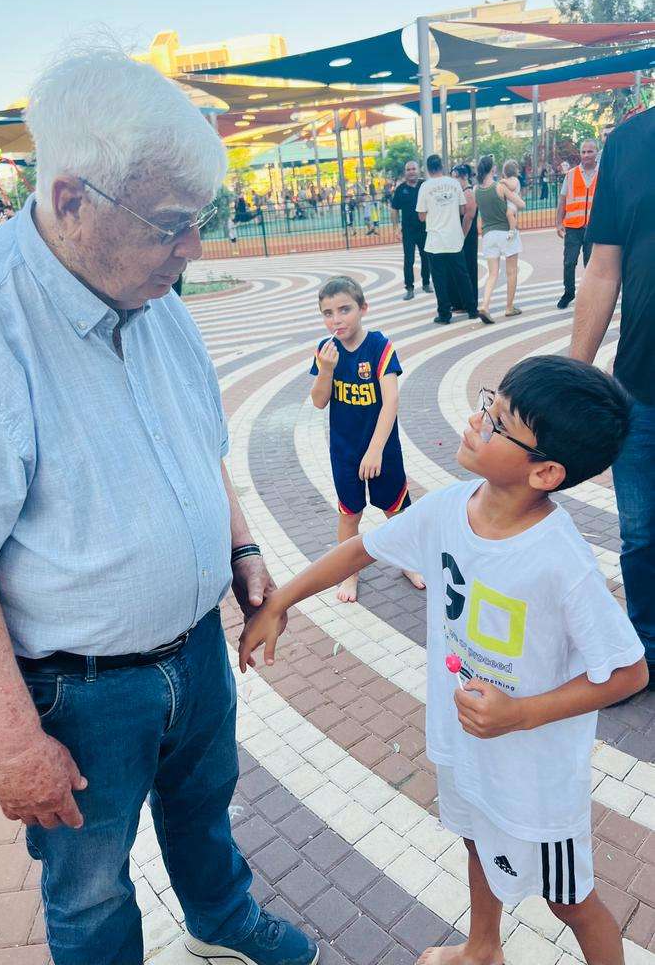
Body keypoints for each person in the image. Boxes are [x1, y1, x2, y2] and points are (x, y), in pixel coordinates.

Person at [0, 45, 318, 965]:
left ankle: (220, 923)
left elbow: (199, 446)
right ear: (71, 200)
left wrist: (240, 549)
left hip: (195, 649)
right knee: (91, 882)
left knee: (203, 808)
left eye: (201, 221)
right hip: (78, 691)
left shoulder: (154, 296)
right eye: (171, 225)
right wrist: (12, 747)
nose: (193, 249)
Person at [239, 354, 648, 965]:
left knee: (569, 901)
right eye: (488, 404)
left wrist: (523, 713)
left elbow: (629, 672)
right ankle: (482, 949)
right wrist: (281, 601)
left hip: (535, 779)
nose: (476, 421)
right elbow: (361, 549)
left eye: (499, 423)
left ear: (544, 472)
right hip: (465, 743)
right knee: (474, 838)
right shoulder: (449, 509)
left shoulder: (562, 562)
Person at [570, 107, 655, 689]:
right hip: (641, 386)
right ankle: (645, 651)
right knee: (641, 535)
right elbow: (603, 269)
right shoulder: (628, 143)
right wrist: (571, 379)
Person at [309, 275, 424, 603]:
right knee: (349, 514)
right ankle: (350, 572)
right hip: (345, 450)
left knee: (396, 510)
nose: (336, 319)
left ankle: (409, 561)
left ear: (363, 308)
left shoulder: (379, 346)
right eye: (328, 313)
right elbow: (319, 401)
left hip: (382, 449)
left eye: (344, 309)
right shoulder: (326, 351)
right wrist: (326, 369)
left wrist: (375, 450)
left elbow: (391, 401)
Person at [417, 154, 478, 325]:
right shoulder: (454, 184)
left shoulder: (425, 187)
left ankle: (444, 314)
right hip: (454, 238)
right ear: (442, 166)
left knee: (439, 279)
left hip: (435, 240)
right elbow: (462, 210)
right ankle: (472, 309)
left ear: (428, 169)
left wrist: (434, 212)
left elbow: (421, 216)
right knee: (462, 275)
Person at [474, 154, 525, 325]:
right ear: (493, 169)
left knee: (492, 274)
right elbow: (521, 204)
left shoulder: (476, 189)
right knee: (511, 272)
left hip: (488, 235)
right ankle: (509, 307)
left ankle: (485, 305)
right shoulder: (499, 187)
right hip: (506, 232)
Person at [556, 139, 599, 310]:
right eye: (583, 152)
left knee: (591, 264)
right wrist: (559, 222)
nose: (586, 155)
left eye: (590, 151)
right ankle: (569, 293)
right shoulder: (571, 175)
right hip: (573, 227)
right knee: (569, 262)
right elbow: (562, 200)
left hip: (594, 228)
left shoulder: (603, 174)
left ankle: (591, 295)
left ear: (596, 153)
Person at [390, 160, 432, 300]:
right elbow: (394, 209)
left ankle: (426, 283)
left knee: (426, 257)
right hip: (408, 231)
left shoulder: (425, 186)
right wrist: (396, 229)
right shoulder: (400, 189)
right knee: (409, 260)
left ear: (418, 170)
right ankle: (409, 288)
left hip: (425, 229)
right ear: (405, 172)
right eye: (408, 169)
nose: (411, 172)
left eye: (414, 169)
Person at [451, 164, 478, 311]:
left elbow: (469, 217)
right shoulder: (461, 192)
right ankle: (462, 301)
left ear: (464, 176)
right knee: (462, 269)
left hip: (467, 236)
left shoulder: (468, 193)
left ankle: (469, 302)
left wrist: (461, 237)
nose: (454, 180)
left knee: (468, 268)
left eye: (456, 177)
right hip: (462, 235)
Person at [500, 159, 521, 240]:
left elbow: (512, 187)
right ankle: (513, 227)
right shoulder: (510, 180)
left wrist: (504, 182)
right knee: (510, 215)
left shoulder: (514, 179)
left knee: (509, 214)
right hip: (509, 202)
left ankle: (512, 230)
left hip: (512, 203)